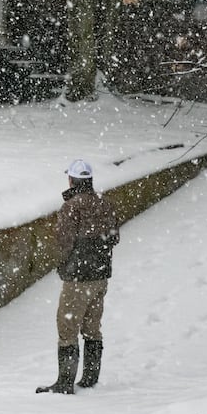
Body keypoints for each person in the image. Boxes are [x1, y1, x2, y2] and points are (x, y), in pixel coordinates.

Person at [36, 159, 120, 395]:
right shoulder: (106, 204)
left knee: (67, 327)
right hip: (101, 277)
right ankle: (90, 378)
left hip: (78, 278)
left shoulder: (71, 207)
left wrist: (63, 264)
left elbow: (64, 243)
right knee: (92, 328)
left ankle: (64, 383)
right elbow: (114, 237)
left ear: (71, 180)